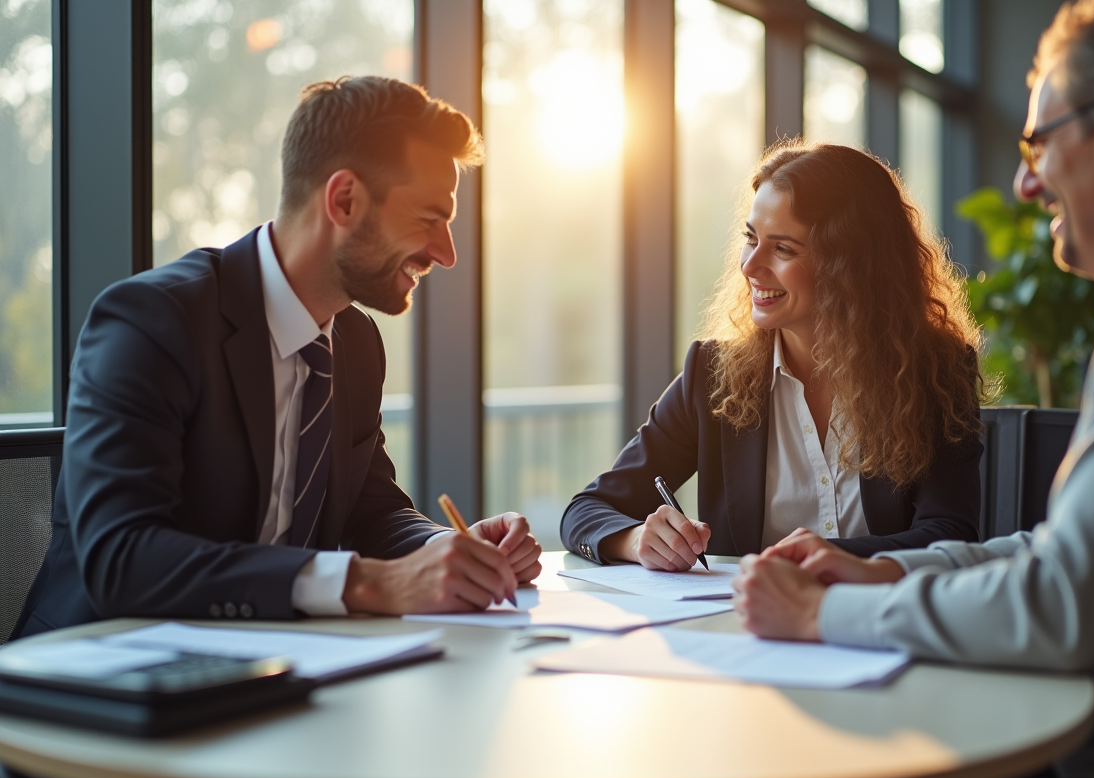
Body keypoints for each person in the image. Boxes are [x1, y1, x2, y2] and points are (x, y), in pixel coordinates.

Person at [731, 1, 1094, 778]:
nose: (1024, 181)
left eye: (1039, 142)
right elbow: (1061, 555)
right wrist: (884, 576)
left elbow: (1063, 603)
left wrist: (820, 617)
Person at [15, 76, 542, 644]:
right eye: (427, 219)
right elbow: (119, 556)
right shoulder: (152, 322)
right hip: (98, 673)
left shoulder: (357, 343)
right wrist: (367, 585)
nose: (446, 252)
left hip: (268, 664)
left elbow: (372, 511)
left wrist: (447, 550)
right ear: (343, 200)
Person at [561, 141, 986, 570]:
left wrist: (824, 558)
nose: (750, 266)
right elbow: (586, 511)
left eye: (782, 248)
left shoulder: (934, 372)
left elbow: (949, 533)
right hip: (745, 629)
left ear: (851, 265)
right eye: (751, 238)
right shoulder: (712, 376)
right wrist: (637, 540)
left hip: (878, 625)